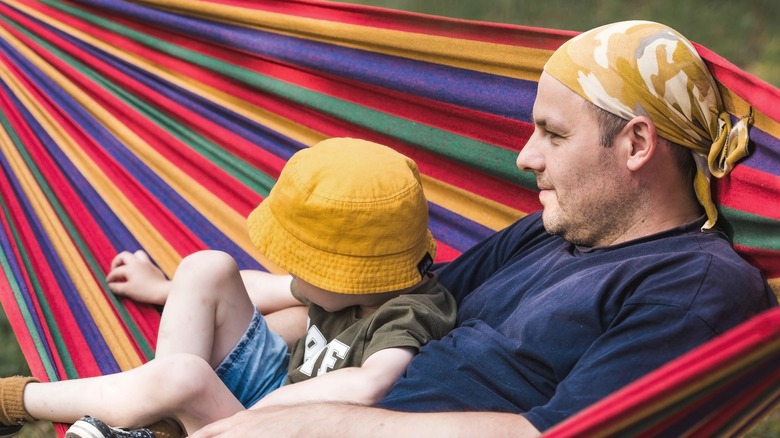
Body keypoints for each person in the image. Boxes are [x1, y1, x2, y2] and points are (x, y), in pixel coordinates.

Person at [183, 21, 776, 438]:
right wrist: (224, 340)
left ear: (636, 144)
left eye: (554, 134)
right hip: (311, 401)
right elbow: (393, 309)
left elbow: (559, 433)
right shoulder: (553, 230)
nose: (525, 157)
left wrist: (330, 425)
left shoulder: (694, 288)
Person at [0, 138, 456, 437]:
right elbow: (263, 287)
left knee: (187, 377)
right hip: (268, 396)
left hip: (283, 428)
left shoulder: (410, 312)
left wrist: (263, 412)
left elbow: (370, 385)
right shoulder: (349, 288)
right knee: (207, 266)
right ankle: (159, 421)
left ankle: (16, 400)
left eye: (308, 265)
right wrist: (163, 289)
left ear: (352, 274)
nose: (294, 272)